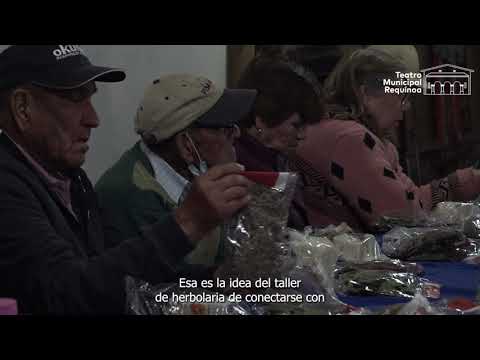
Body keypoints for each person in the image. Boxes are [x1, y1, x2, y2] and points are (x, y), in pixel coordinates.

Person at [0, 45, 252, 314]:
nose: (93, 119)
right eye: (75, 98)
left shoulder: (72, 179)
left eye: (91, 100)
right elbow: (67, 293)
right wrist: (187, 223)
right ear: (23, 108)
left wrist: (220, 283)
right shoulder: (6, 187)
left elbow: (111, 278)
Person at [294, 45, 480, 231]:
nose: (406, 106)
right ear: (365, 94)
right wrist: (458, 184)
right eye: (402, 96)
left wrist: (462, 181)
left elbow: (409, 198)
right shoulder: (350, 138)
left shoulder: (354, 133)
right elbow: (403, 215)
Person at [95, 74, 256, 270]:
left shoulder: (193, 173)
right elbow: (162, 289)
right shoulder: (130, 197)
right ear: (186, 146)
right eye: (225, 128)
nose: (237, 133)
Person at [235, 55, 325, 230]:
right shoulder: (242, 167)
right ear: (262, 117)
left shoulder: (275, 159)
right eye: (296, 125)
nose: (302, 136)